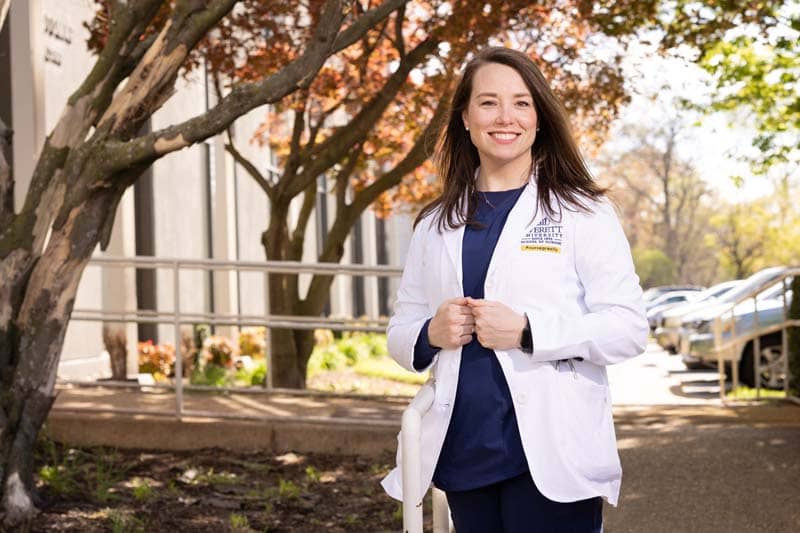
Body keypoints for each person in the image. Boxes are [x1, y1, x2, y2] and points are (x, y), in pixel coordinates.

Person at [380, 47, 648, 532]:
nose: (505, 117)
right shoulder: (434, 224)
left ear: (540, 117)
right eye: (488, 103)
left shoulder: (583, 213)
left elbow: (628, 328)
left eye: (521, 103)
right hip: (464, 451)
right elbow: (400, 330)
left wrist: (529, 331)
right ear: (464, 117)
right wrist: (430, 334)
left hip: (551, 454)